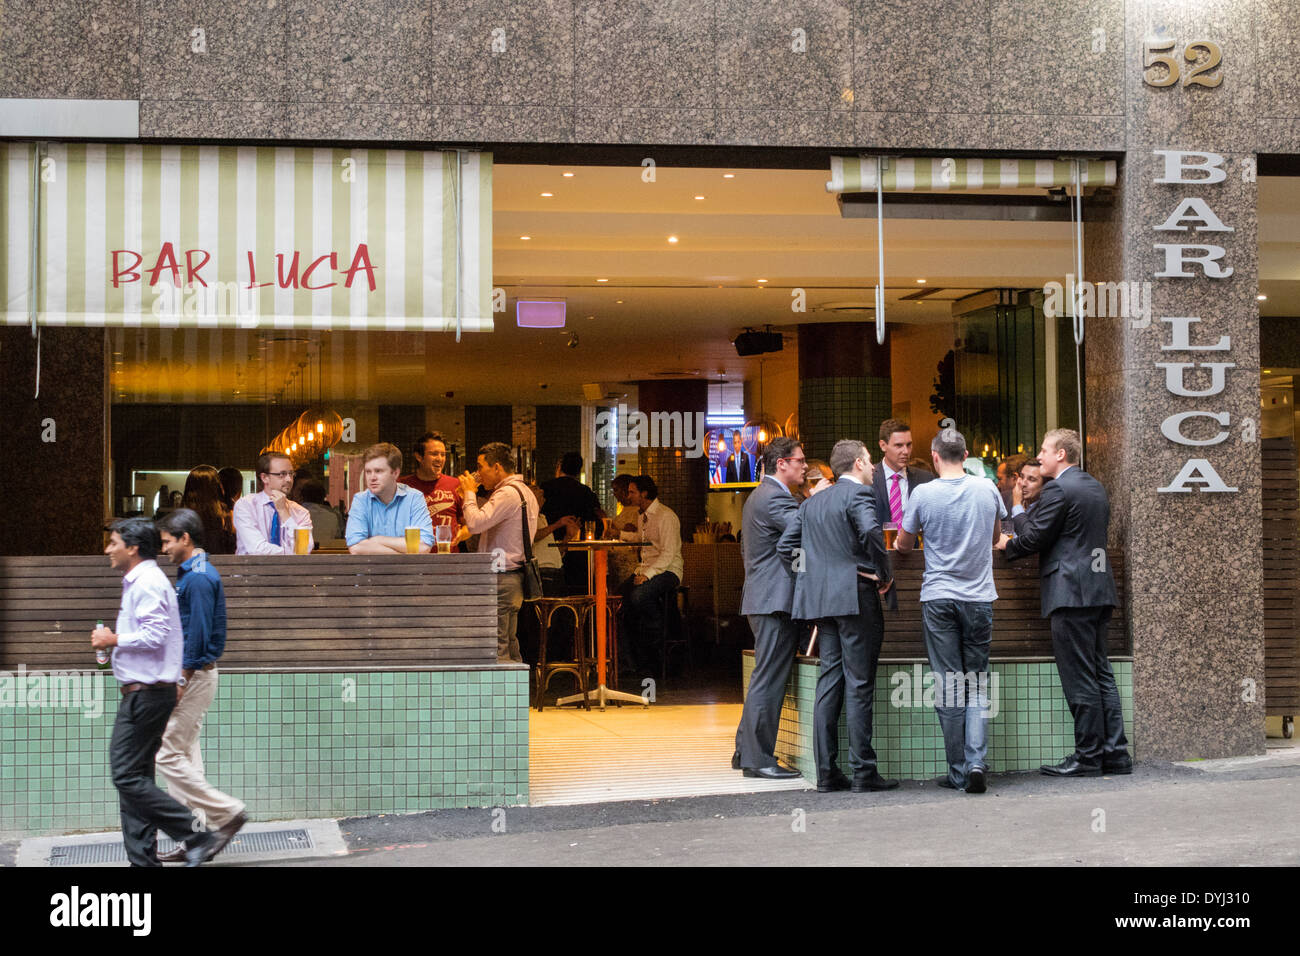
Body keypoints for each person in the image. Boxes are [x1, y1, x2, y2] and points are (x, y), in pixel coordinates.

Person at [996, 428, 1132, 777]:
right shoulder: (1094, 486)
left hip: (1071, 592)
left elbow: (1034, 536)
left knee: (1080, 678)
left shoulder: (1058, 488)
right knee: (1101, 673)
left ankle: (1088, 757)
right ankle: (1115, 754)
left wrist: (1007, 547)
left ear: (1061, 455)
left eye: (1043, 450)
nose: (1038, 456)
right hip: (1099, 589)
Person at [90, 518, 222, 867]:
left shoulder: (147, 582)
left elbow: (155, 635)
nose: (108, 549)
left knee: (125, 775)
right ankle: (144, 860)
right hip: (146, 692)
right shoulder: (140, 580)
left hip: (147, 695)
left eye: (113, 542)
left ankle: (196, 833)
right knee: (136, 778)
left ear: (132, 547)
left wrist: (112, 639)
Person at [777, 440, 897, 794]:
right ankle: (863, 771)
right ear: (858, 463)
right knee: (859, 684)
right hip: (856, 599)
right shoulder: (857, 496)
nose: (874, 468)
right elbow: (872, 533)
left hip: (821, 603)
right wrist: (882, 573)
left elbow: (786, 547)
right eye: (871, 461)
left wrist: (813, 576)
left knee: (829, 682)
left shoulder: (812, 502)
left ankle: (827, 772)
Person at [897, 427, 1006, 794]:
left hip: (939, 597)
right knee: (975, 684)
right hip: (979, 598)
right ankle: (977, 762)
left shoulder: (923, 493)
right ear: (966, 453)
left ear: (934, 455)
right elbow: (995, 539)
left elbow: (903, 544)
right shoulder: (987, 488)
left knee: (949, 686)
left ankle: (958, 771)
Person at [152, 509, 247, 862]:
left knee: (166, 753)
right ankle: (195, 837)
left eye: (166, 541)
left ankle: (227, 813)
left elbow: (199, 635)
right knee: (186, 755)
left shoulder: (199, 579)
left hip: (194, 675)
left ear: (185, 538)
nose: (163, 549)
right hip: (193, 673)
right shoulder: (192, 573)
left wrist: (180, 680)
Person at [732, 436, 806, 780]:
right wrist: (817, 502)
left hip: (764, 598)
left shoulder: (761, 496)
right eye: (800, 461)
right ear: (782, 464)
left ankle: (744, 750)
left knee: (765, 675)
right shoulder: (775, 498)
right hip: (774, 600)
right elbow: (804, 529)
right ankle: (758, 758)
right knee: (769, 679)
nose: (805, 467)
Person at [458, 442, 540, 663]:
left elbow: (475, 523)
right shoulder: (524, 492)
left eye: (480, 466)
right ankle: (516, 695)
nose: (477, 474)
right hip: (512, 575)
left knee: (497, 644)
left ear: (496, 467)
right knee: (508, 641)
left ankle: (502, 696)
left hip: (502, 576)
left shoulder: (507, 494)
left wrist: (468, 493)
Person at [616, 475, 684, 678]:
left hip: (669, 571)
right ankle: (631, 660)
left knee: (639, 596)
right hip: (646, 568)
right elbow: (644, 539)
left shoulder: (666, 516)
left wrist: (647, 575)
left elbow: (668, 553)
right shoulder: (642, 515)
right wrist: (620, 535)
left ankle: (657, 645)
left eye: (632, 492)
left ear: (644, 493)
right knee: (618, 599)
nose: (628, 496)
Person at [346, 443, 433, 554]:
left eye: (378, 471)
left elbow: (423, 547)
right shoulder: (361, 500)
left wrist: (378, 540)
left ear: (395, 473)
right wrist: (402, 556)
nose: (372, 477)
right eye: (368, 472)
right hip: (372, 571)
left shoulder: (414, 498)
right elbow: (356, 547)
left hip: (407, 572)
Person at [540, 453, 606, 594]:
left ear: (559, 467)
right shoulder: (586, 492)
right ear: (578, 470)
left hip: (548, 551)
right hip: (579, 553)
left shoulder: (545, 489)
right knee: (578, 594)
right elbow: (596, 524)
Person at [233, 452, 315, 554]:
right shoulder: (246, 505)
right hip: (253, 569)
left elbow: (303, 549)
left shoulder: (301, 512)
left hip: (289, 570)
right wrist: (291, 553)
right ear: (264, 477)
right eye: (282, 474)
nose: (289, 479)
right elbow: (257, 549)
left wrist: (284, 513)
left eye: (291, 474)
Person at [399, 432, 464, 543]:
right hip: (414, 556)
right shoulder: (401, 486)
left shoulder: (455, 484)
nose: (440, 459)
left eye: (443, 454)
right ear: (419, 456)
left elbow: (468, 523)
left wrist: (462, 534)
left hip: (448, 556)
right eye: (434, 454)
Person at [872, 419, 935, 530]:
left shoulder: (925, 479)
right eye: (899, 445)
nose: (906, 451)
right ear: (883, 445)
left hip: (915, 546)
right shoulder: (869, 478)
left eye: (909, 445)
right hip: (879, 546)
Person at [182, 465, 236, 554]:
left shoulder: (182, 517)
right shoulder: (227, 515)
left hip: (190, 565)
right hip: (222, 565)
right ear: (216, 487)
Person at [1010, 458, 1045, 535]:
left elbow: (1029, 539)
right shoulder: (1009, 501)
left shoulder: (1045, 511)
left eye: (1031, 479)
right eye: (1022, 477)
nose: (1023, 484)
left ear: (1044, 485)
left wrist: (1017, 505)